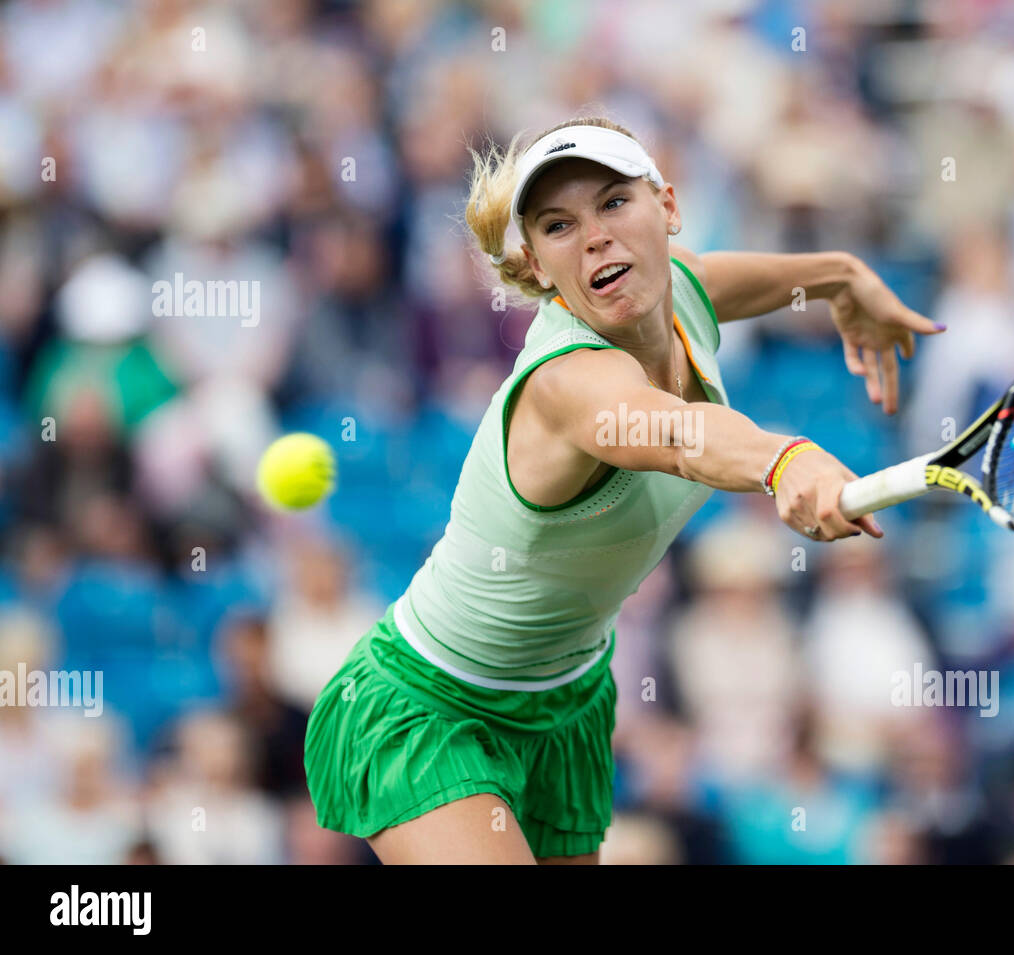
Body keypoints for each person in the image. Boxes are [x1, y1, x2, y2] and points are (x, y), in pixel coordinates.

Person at [304, 116, 942, 864]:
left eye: (614, 202)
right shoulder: (568, 383)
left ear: (666, 208)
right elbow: (677, 432)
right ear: (537, 266)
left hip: (568, 701)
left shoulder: (684, 293)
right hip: (428, 704)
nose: (597, 236)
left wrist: (841, 275)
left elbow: (738, 280)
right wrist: (784, 458)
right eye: (558, 225)